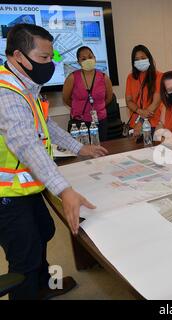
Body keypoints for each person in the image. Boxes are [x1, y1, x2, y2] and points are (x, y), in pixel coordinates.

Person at [0, 24, 108, 300]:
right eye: (43, 59)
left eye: (52, 58)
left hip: (26, 187)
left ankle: (44, 285)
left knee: (43, 232)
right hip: (6, 195)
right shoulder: (6, 93)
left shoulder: (26, 85)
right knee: (23, 254)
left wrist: (79, 148)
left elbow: (45, 125)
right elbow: (26, 143)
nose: (50, 65)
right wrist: (64, 189)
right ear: (18, 56)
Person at [62, 46, 113, 141]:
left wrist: (99, 107)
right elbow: (66, 98)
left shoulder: (104, 77)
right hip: (79, 122)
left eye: (90, 57)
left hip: (100, 122)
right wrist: (78, 108)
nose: (88, 60)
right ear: (78, 62)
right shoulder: (72, 78)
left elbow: (109, 97)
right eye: (83, 59)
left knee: (100, 150)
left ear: (95, 58)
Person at [126, 45, 163, 136]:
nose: (140, 61)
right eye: (137, 59)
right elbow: (128, 101)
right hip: (134, 125)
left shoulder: (159, 76)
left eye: (143, 58)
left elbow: (155, 103)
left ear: (149, 58)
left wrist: (141, 122)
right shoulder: (130, 77)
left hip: (154, 124)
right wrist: (140, 111)